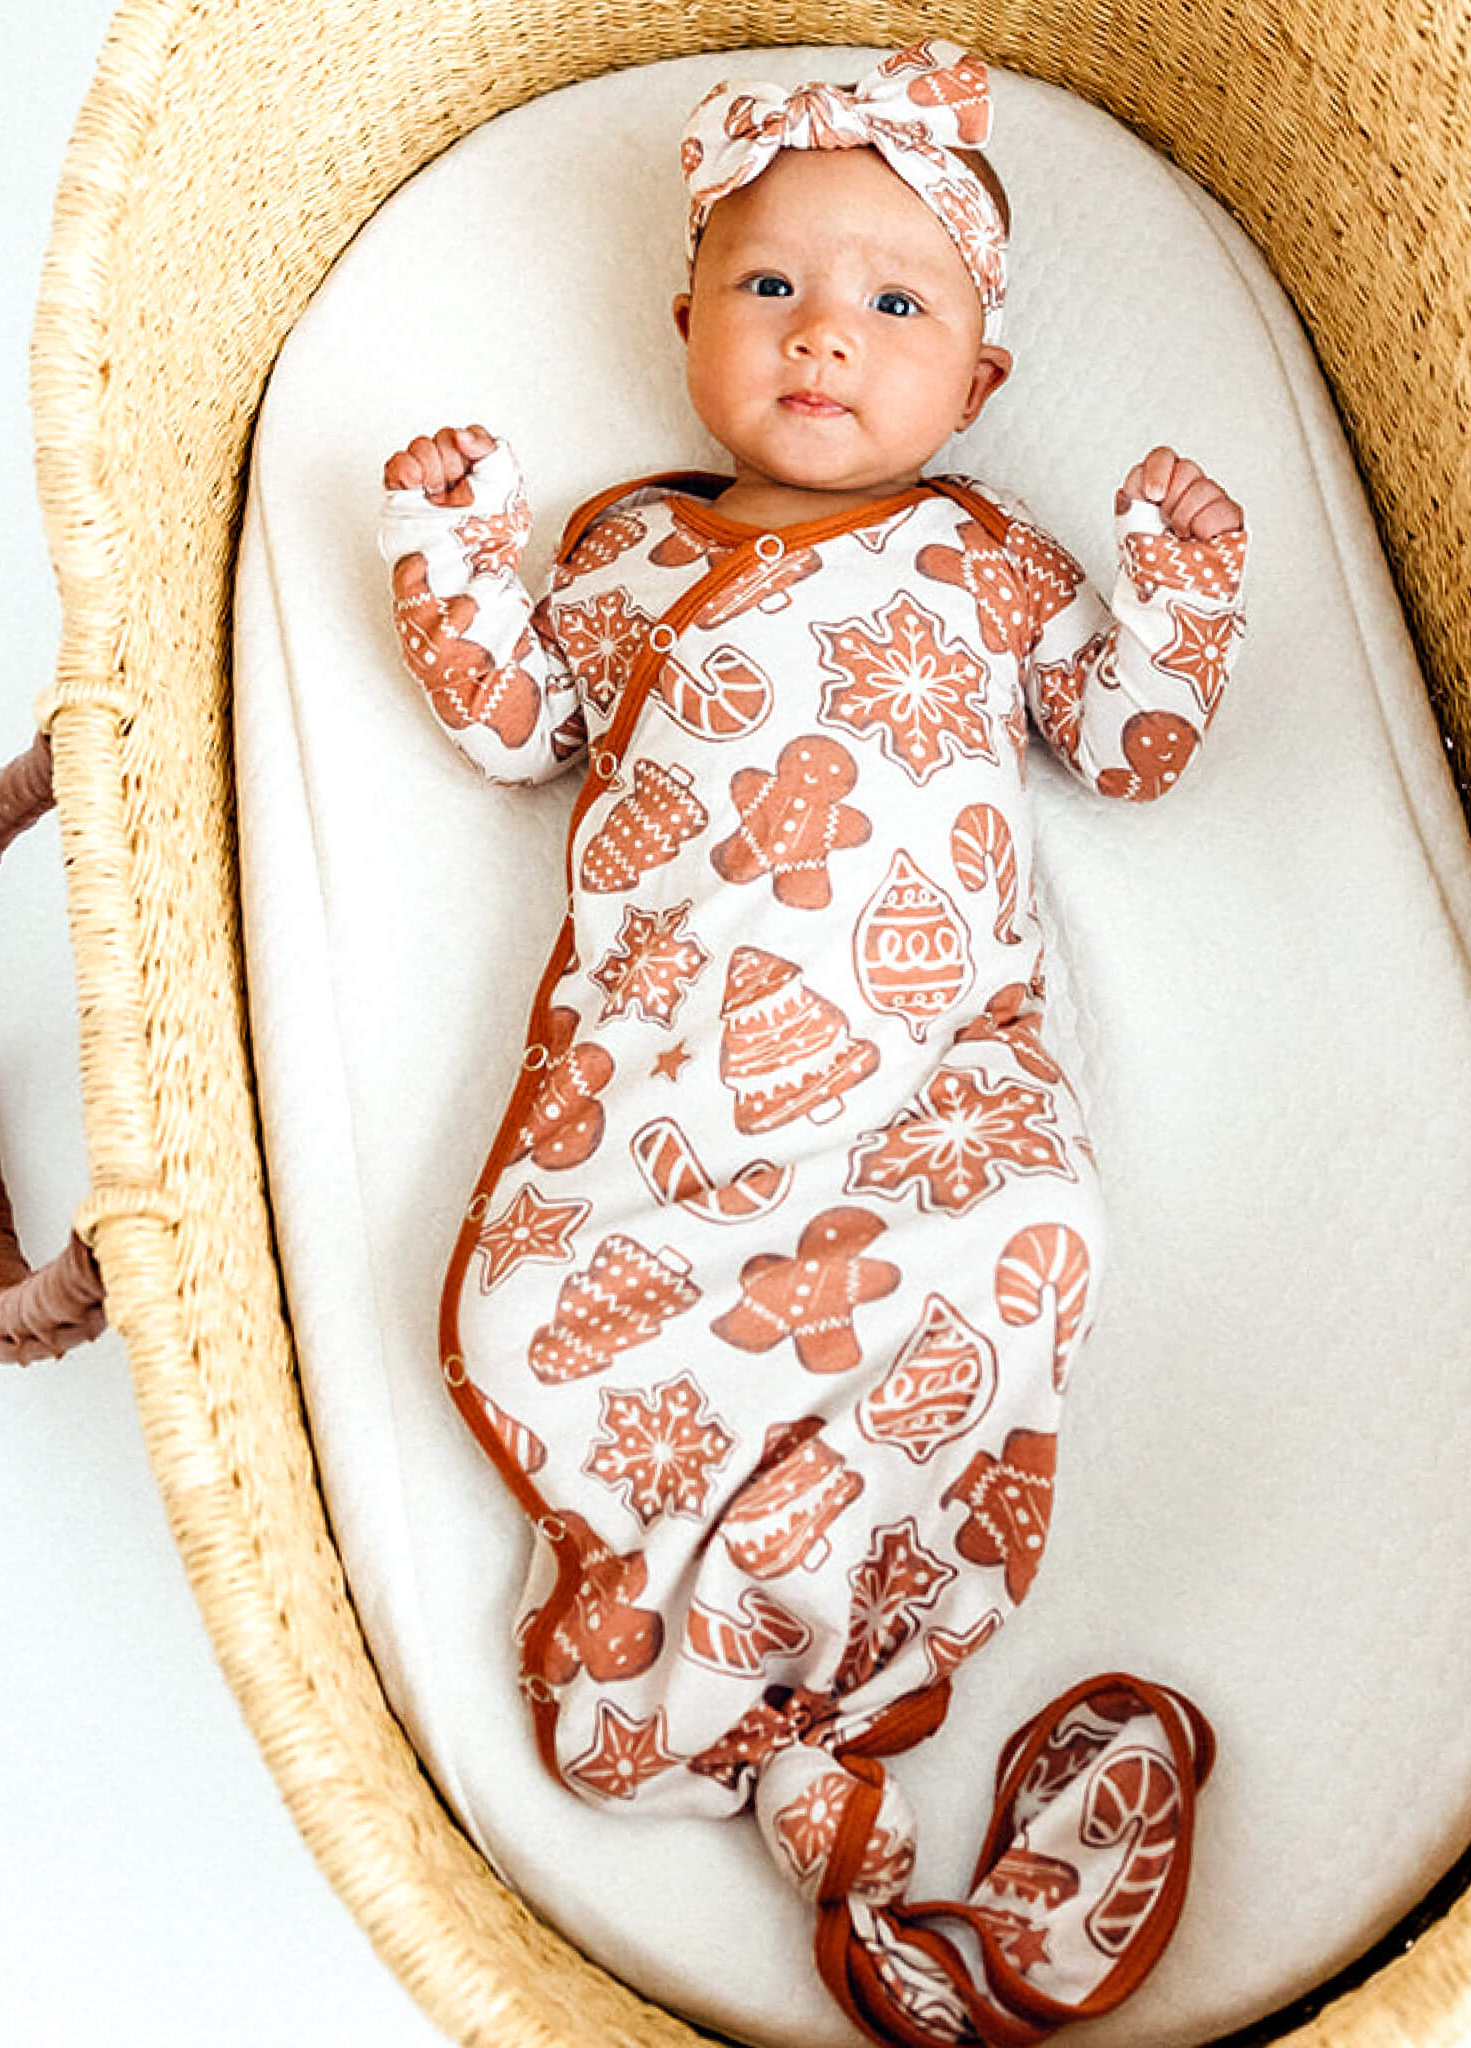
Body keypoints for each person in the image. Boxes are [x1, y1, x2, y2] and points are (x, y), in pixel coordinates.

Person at [378, 41, 1243, 2045]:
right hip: (669, 1087)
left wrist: (1181, 600)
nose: (825, 336)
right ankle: (731, 1683)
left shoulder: (980, 556)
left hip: (921, 1078)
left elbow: (1126, 746)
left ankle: (804, 1654)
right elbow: (520, 728)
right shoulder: (629, 562)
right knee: (533, 1314)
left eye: (893, 302)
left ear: (980, 385)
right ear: (683, 320)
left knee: (1026, 1237)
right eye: (769, 287)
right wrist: (450, 560)